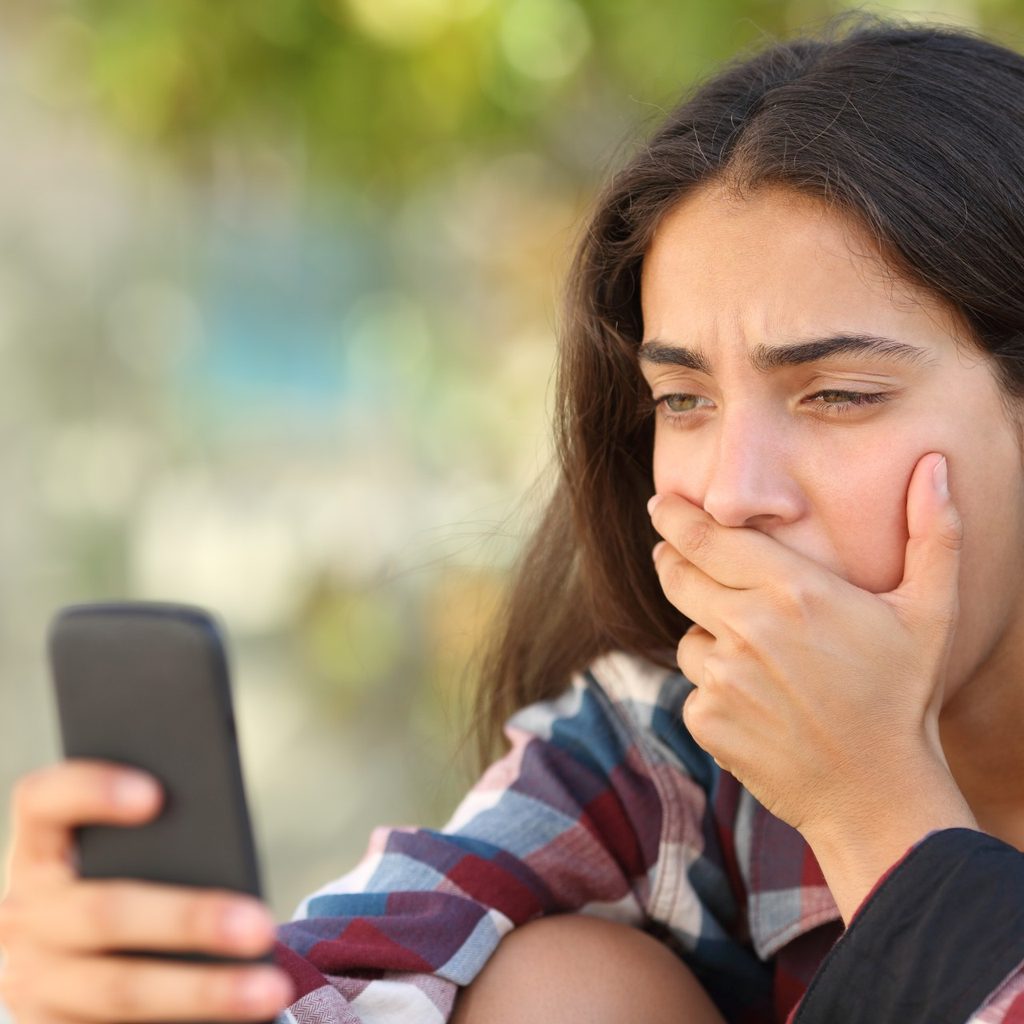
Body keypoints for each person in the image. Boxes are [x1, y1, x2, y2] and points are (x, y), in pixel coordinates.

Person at [4, 9, 1024, 1023]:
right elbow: (358, 979)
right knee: (563, 987)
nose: (728, 490)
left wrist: (877, 815)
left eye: (837, 394)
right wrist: (137, 991)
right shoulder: (672, 748)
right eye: (684, 401)